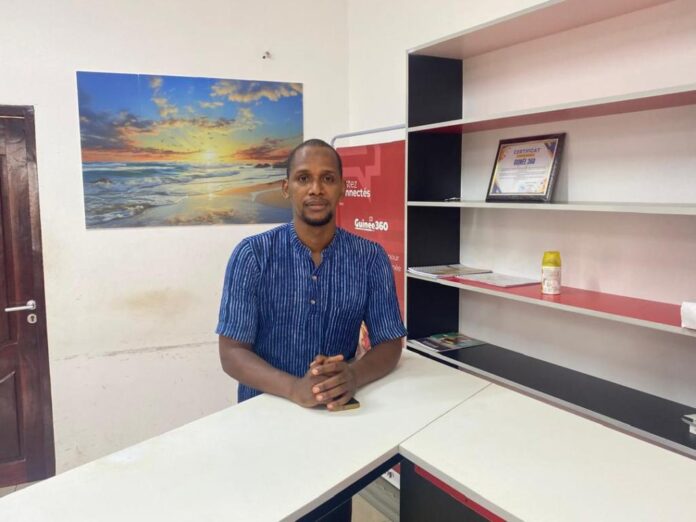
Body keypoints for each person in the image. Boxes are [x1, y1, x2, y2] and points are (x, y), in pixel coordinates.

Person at [217, 138, 406, 412]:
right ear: (286, 188)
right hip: (263, 410)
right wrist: (294, 388)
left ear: (342, 188)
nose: (316, 189)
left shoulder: (370, 258)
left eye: (327, 179)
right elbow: (231, 352)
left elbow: (389, 343)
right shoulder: (252, 255)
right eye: (303, 178)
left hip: (338, 409)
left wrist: (353, 376)